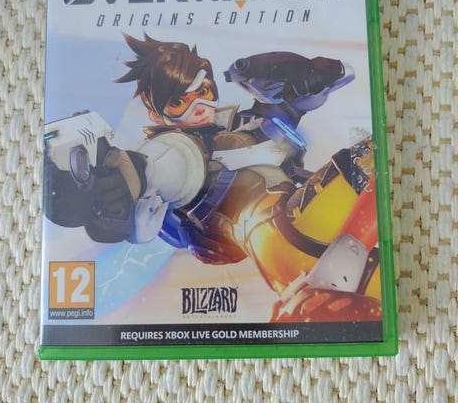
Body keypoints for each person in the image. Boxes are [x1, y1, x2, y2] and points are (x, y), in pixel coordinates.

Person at [44, 33, 382, 322]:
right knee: (375, 158)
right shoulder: (174, 148)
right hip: (281, 230)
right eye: (179, 101)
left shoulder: (244, 125)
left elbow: (321, 85)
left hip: (295, 241)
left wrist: (307, 78)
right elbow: (163, 167)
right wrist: (121, 179)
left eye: (203, 91)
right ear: (156, 110)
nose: (198, 107)